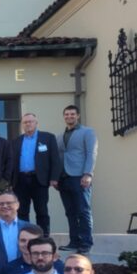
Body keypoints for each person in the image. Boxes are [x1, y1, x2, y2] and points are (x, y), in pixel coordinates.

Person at [9, 113, 60, 236]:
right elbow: (12, 162)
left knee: (41, 210)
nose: (28, 124)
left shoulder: (48, 138)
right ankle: (25, 236)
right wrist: (10, 182)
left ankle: (43, 236)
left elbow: (55, 159)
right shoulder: (16, 141)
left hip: (39, 179)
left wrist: (54, 178)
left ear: (36, 123)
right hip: (20, 180)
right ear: (22, 125)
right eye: (25, 122)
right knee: (21, 211)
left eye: (30, 121)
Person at [56, 105, 97, 254]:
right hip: (63, 178)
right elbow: (58, 157)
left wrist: (88, 174)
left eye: (72, 114)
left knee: (83, 211)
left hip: (80, 176)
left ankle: (86, 243)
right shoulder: (59, 136)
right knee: (70, 212)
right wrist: (56, 178)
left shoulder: (87, 132)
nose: (69, 117)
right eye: (66, 114)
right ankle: (74, 242)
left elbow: (91, 153)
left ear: (78, 116)